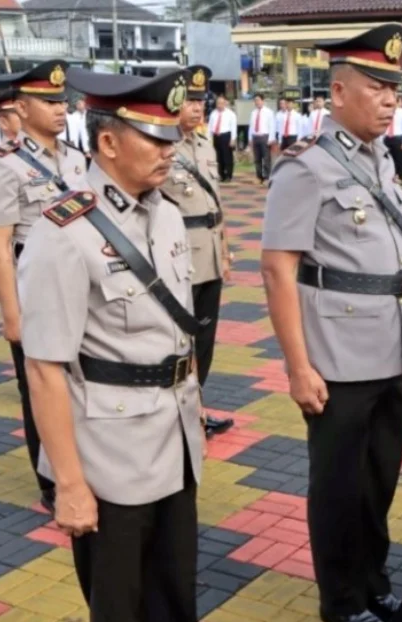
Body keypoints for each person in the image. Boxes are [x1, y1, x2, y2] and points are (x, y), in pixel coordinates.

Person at [17, 67, 204, 622]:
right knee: (119, 620)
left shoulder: (168, 214)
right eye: (155, 137)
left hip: (174, 439)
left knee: (175, 600)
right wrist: (69, 484)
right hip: (108, 452)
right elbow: (44, 369)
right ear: (107, 142)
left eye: (171, 137)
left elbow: (180, 333)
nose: (169, 151)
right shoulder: (63, 232)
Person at [260, 23, 402, 622]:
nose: (388, 100)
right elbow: (277, 268)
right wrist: (298, 366)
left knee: (379, 478)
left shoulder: (380, 158)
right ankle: (341, 598)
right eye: (376, 87)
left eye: (394, 90)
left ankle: (373, 580)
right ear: (340, 91)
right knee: (339, 484)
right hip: (337, 355)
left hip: (392, 345)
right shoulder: (308, 167)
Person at [0, 60, 83, 514]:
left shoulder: (77, 157)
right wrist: (11, 314)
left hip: (79, 284)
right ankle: (52, 479)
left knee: (78, 381)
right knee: (40, 382)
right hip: (33, 286)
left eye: (62, 101)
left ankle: (79, 461)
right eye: (49, 101)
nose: (60, 110)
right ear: (20, 106)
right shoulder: (0, 166)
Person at [165, 65, 235, 439]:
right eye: (190, 101)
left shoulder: (204, 144)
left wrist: (224, 251)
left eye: (201, 100)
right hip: (178, 260)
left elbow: (215, 206)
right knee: (179, 340)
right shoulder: (162, 147)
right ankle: (176, 412)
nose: (197, 108)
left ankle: (197, 408)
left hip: (208, 257)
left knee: (204, 341)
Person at [208, 95, 237, 182]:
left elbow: (233, 127)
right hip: (216, 136)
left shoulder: (231, 114)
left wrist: (233, 139)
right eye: (218, 103)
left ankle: (228, 175)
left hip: (226, 136)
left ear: (225, 103)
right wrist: (209, 138)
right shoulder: (213, 113)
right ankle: (221, 175)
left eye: (221, 103)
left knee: (227, 156)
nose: (219, 105)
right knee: (218, 157)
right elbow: (210, 127)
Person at [248, 94, 274, 183]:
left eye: (258, 100)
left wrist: (271, 138)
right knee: (257, 159)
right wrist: (250, 138)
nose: (257, 102)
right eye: (255, 100)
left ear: (263, 101)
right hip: (255, 137)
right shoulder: (253, 112)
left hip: (265, 137)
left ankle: (267, 177)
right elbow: (251, 126)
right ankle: (259, 177)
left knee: (266, 158)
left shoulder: (269, 112)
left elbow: (272, 126)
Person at [383, 97, 402, 182]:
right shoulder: (386, 112)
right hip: (387, 137)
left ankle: (400, 176)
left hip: (398, 138)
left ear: (398, 103)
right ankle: (390, 175)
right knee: (388, 158)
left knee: (399, 158)